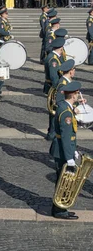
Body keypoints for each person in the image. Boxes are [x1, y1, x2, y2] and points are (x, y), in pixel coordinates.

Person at [49, 81, 83, 220]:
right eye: (77, 94)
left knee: (62, 180)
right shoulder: (66, 113)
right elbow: (66, 136)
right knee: (64, 182)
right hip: (62, 151)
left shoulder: (65, 106)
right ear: (74, 95)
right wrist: (70, 156)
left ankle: (58, 207)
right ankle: (60, 210)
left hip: (63, 149)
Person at [47, 59, 76, 142]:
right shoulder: (63, 84)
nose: (74, 72)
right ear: (70, 71)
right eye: (74, 70)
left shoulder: (67, 82)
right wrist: (73, 108)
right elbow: (60, 101)